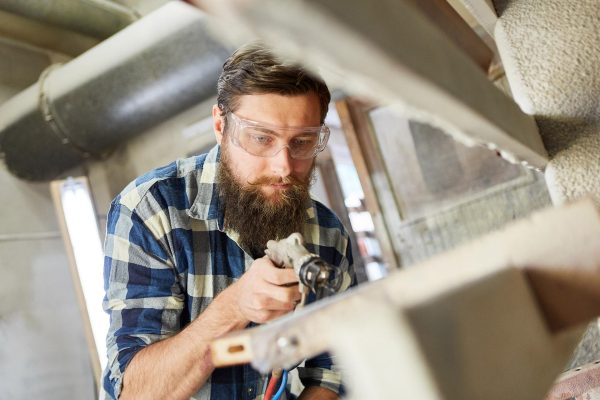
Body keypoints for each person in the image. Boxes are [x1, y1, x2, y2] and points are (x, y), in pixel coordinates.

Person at [102, 43, 355, 400]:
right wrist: (234, 307)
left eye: (301, 142)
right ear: (221, 126)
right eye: (261, 138)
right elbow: (135, 392)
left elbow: (334, 370)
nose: (283, 166)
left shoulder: (326, 232)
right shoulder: (151, 210)